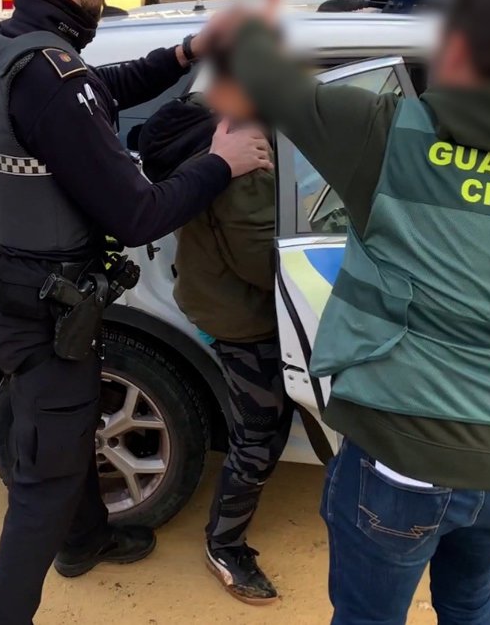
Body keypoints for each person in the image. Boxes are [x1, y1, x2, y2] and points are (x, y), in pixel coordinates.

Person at [214, 0, 490, 624]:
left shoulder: (386, 134)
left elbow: (263, 73)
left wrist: (250, 24)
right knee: (468, 602)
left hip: (401, 461)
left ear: (454, 46)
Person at [0, 0, 273, 622]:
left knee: (65, 425)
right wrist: (220, 162)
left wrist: (185, 53)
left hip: (8, 285)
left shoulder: (9, 44)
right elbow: (138, 215)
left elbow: (95, 91)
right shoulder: (49, 73)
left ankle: (85, 540)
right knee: (43, 482)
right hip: (42, 306)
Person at [136, 67, 289, 605]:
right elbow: (262, 261)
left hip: (208, 291)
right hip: (244, 314)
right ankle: (225, 545)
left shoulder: (203, 118)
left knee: (260, 421)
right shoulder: (246, 152)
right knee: (259, 432)